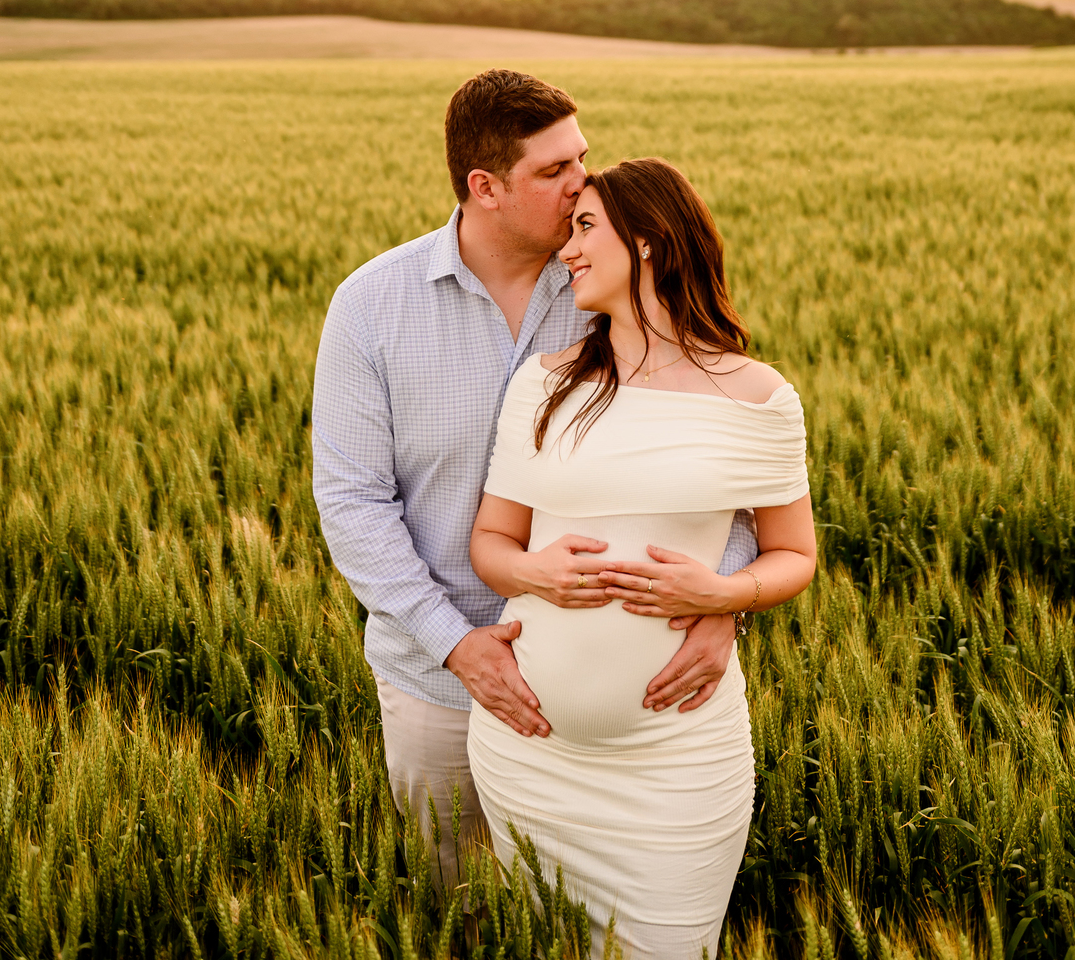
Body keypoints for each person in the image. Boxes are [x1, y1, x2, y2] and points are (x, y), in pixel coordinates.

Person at [311, 72, 759, 880]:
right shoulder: (371, 306)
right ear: (485, 187)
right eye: (555, 172)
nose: (582, 184)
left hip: (628, 685)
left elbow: (721, 461)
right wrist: (459, 647)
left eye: (580, 158)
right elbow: (352, 504)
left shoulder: (613, 280)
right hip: (437, 684)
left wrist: (719, 603)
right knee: (465, 901)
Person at [467, 157, 817, 959]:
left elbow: (794, 554)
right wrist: (532, 574)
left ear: (651, 240)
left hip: (674, 769)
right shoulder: (545, 384)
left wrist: (724, 591)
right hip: (530, 760)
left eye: (586, 228)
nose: (569, 250)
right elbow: (492, 543)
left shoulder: (758, 398)